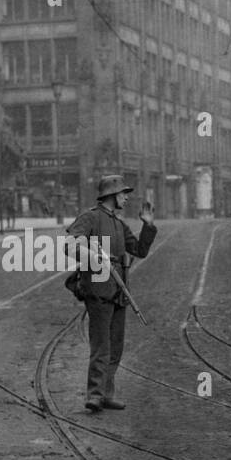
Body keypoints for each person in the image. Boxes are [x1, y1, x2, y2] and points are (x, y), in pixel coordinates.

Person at [66, 174, 156, 412]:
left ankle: (106, 394)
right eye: (124, 194)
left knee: (116, 346)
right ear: (112, 195)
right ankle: (94, 395)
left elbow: (139, 249)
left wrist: (147, 225)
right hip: (98, 290)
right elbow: (71, 245)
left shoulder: (118, 223)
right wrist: (95, 258)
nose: (126, 198)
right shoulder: (90, 217)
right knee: (101, 347)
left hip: (119, 291)